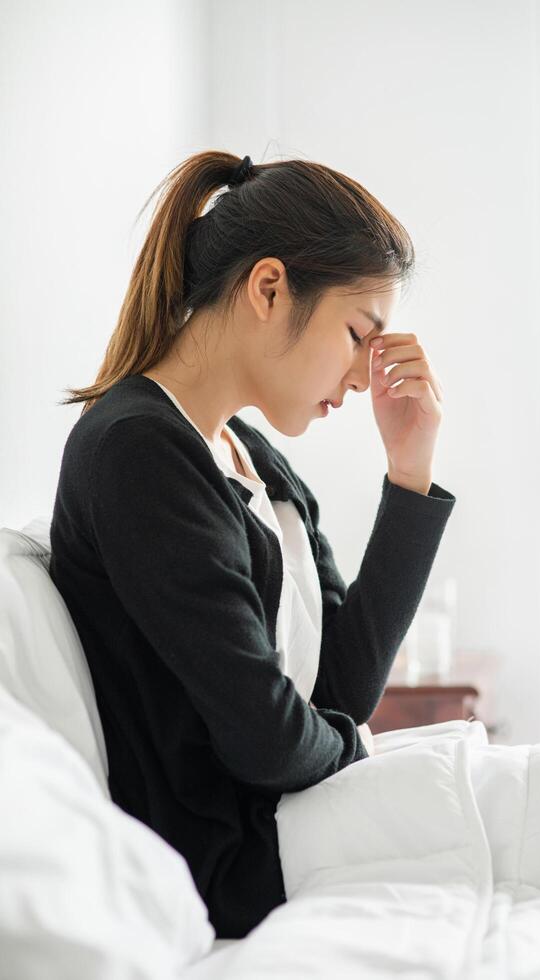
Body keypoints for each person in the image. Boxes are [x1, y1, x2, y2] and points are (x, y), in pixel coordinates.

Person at [48, 150, 456, 939]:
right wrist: (356, 750)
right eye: (356, 334)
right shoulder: (136, 451)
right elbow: (269, 739)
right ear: (269, 288)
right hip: (237, 866)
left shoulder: (247, 454)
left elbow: (341, 684)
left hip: (291, 828)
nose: (367, 378)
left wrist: (410, 473)